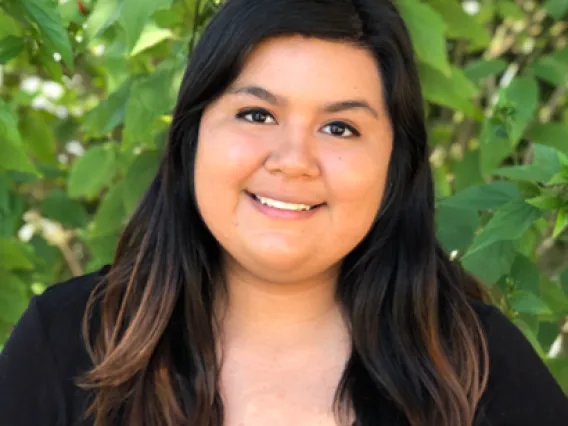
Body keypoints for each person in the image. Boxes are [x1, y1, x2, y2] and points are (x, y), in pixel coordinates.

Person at [1, 0, 567, 425]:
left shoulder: (478, 368)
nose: (294, 161)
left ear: (396, 165)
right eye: (256, 115)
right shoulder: (68, 343)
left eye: (339, 128)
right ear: (193, 133)